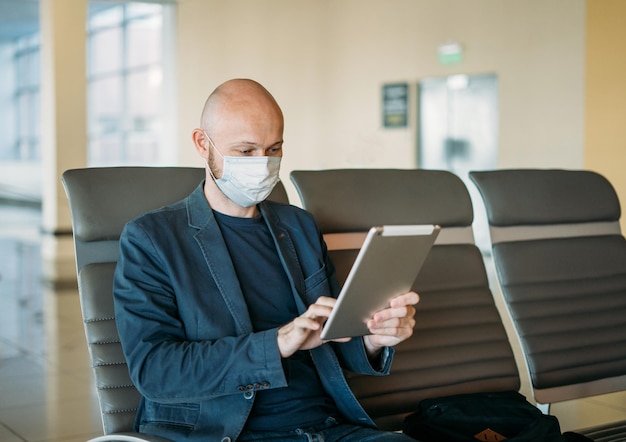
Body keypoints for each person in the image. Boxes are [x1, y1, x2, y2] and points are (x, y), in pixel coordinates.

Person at [113, 78, 420, 442]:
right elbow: (156, 371)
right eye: (245, 151)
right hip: (227, 433)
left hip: (326, 427)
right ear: (201, 143)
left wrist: (375, 338)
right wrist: (276, 343)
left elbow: (336, 337)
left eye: (274, 149)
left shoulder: (299, 227)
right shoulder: (152, 238)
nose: (262, 164)